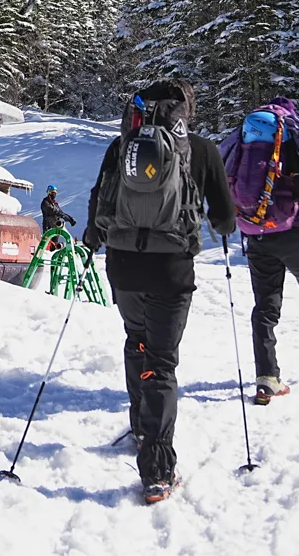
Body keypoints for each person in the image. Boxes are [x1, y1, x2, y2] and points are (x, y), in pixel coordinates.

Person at [83, 79, 235, 504]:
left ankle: (140, 427)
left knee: (138, 340)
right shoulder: (201, 150)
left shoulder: (122, 146)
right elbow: (224, 218)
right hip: (171, 270)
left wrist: (93, 242)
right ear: (185, 109)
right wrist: (220, 226)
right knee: (162, 363)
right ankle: (157, 469)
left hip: (124, 266)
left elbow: (99, 205)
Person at [219, 96, 299, 405]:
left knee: (265, 306)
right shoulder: (291, 133)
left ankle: (267, 378)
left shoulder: (245, 137)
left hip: (256, 233)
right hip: (295, 230)